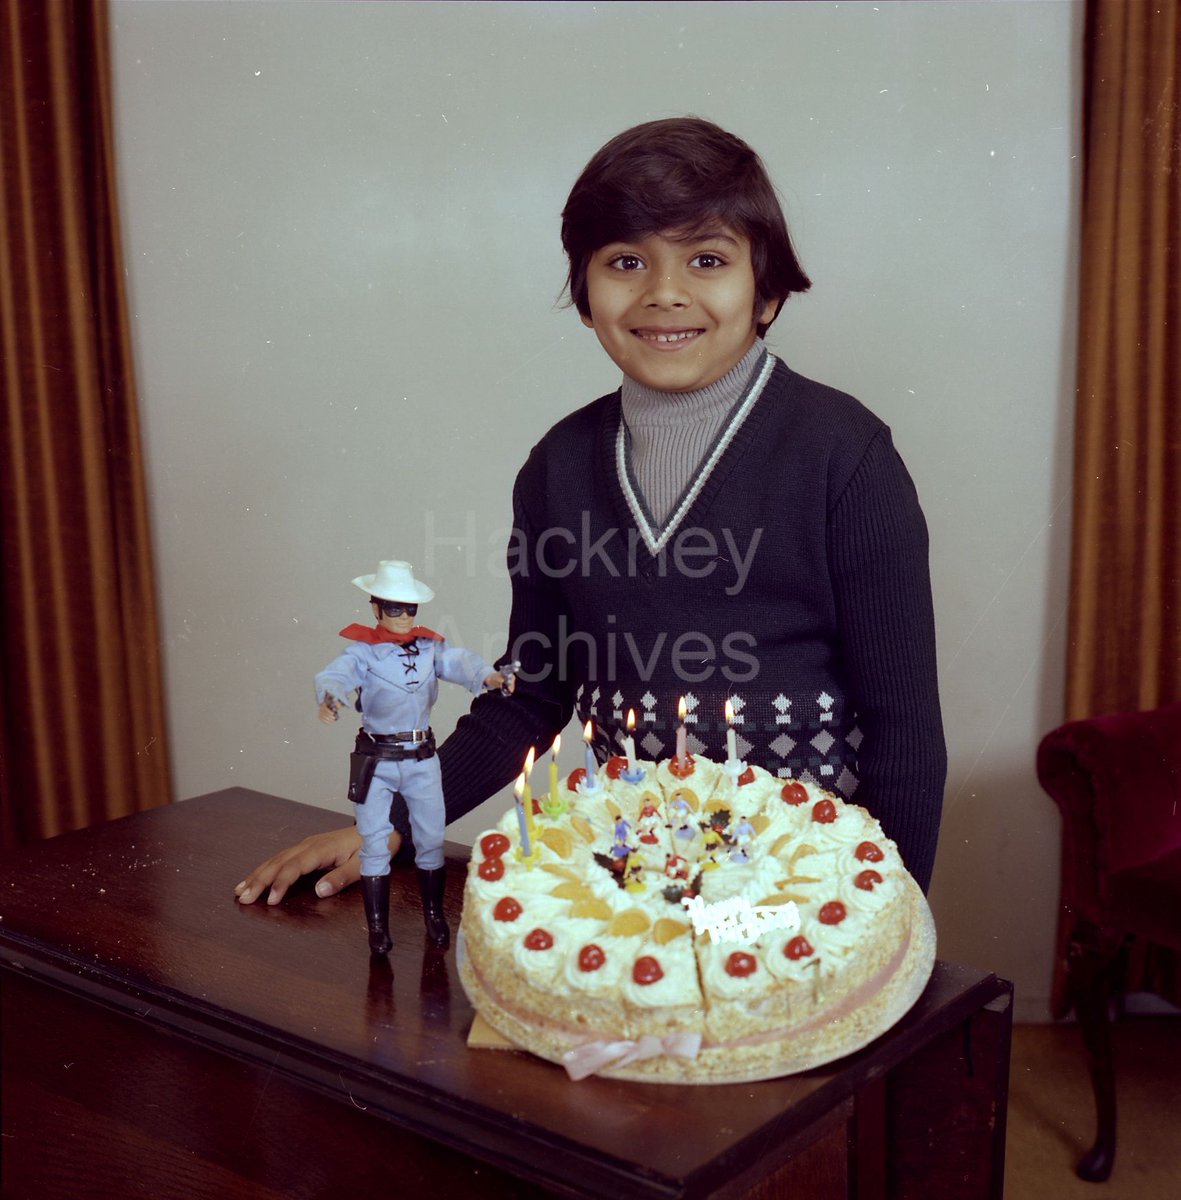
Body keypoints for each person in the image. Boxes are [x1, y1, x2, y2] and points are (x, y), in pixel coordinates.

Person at [236, 116, 945, 911]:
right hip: (630, 878)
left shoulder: (843, 456)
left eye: (706, 260)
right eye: (626, 262)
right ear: (583, 295)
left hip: (806, 887)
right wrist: (392, 822)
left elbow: (905, 732)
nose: (663, 292)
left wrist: (889, 919)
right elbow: (533, 694)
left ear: (768, 292)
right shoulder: (559, 467)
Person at [310, 559, 513, 953]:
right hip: (378, 759)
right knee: (373, 843)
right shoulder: (363, 653)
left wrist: (489, 676)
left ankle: (434, 917)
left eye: (410, 608)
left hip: (421, 759)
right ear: (376, 609)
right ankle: (377, 928)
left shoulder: (428, 648)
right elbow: (336, 674)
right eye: (393, 608)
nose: (403, 616)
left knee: (431, 838)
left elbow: (457, 661)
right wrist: (331, 696)